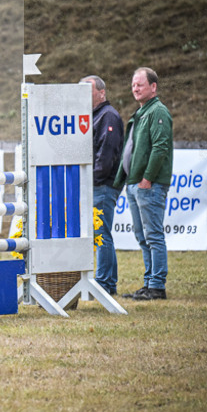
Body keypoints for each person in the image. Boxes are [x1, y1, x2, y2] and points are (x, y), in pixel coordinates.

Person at [114, 67, 174, 301]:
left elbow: (160, 147)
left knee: (153, 236)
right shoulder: (141, 112)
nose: (135, 88)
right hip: (135, 184)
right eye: (133, 85)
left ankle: (157, 286)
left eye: (140, 84)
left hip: (148, 185)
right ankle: (149, 283)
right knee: (142, 236)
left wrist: (147, 179)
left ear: (153, 87)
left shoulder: (158, 111)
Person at [81, 75, 124, 296]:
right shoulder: (94, 116)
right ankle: (108, 283)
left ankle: (104, 283)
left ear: (101, 93)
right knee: (101, 233)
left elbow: (106, 155)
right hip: (98, 183)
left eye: (87, 92)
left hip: (102, 184)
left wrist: (92, 180)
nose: (83, 97)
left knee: (101, 234)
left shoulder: (107, 116)